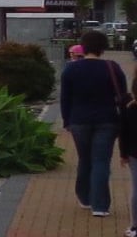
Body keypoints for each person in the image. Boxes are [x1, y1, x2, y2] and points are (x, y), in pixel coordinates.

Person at [61, 30, 127, 217]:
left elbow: (65, 98)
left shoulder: (71, 69)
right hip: (107, 120)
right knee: (101, 161)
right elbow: (122, 94)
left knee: (85, 158)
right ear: (103, 47)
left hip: (79, 120)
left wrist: (66, 121)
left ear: (83, 47)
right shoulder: (112, 67)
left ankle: (84, 197)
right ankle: (100, 206)